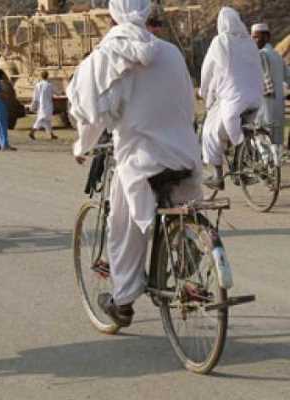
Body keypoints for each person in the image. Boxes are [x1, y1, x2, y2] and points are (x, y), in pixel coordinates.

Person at [68, 0, 203, 327]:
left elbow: (91, 112)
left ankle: (124, 301)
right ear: (145, 13)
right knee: (181, 205)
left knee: (123, 227)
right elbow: (188, 102)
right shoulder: (171, 53)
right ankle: (188, 246)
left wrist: (82, 146)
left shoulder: (106, 55)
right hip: (184, 153)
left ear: (112, 14)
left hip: (141, 160)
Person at [200, 7, 264, 191]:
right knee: (238, 128)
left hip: (234, 100)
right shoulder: (250, 42)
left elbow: (207, 71)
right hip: (256, 99)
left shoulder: (220, 41)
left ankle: (218, 175)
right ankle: (244, 157)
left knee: (210, 131)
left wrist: (203, 91)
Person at [252, 23, 290, 154]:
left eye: (256, 37)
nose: (254, 40)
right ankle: (275, 163)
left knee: (261, 135)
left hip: (264, 104)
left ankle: (266, 162)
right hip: (278, 105)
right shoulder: (277, 56)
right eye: (253, 37)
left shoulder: (260, 55)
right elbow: (288, 77)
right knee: (275, 140)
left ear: (267, 37)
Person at [29, 71, 58, 141]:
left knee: (47, 120)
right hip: (48, 105)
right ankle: (32, 132)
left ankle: (51, 134)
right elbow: (56, 92)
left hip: (41, 105)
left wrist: (33, 104)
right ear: (47, 76)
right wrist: (61, 92)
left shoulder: (38, 85)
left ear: (41, 76)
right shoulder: (49, 85)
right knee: (41, 119)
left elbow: (35, 96)